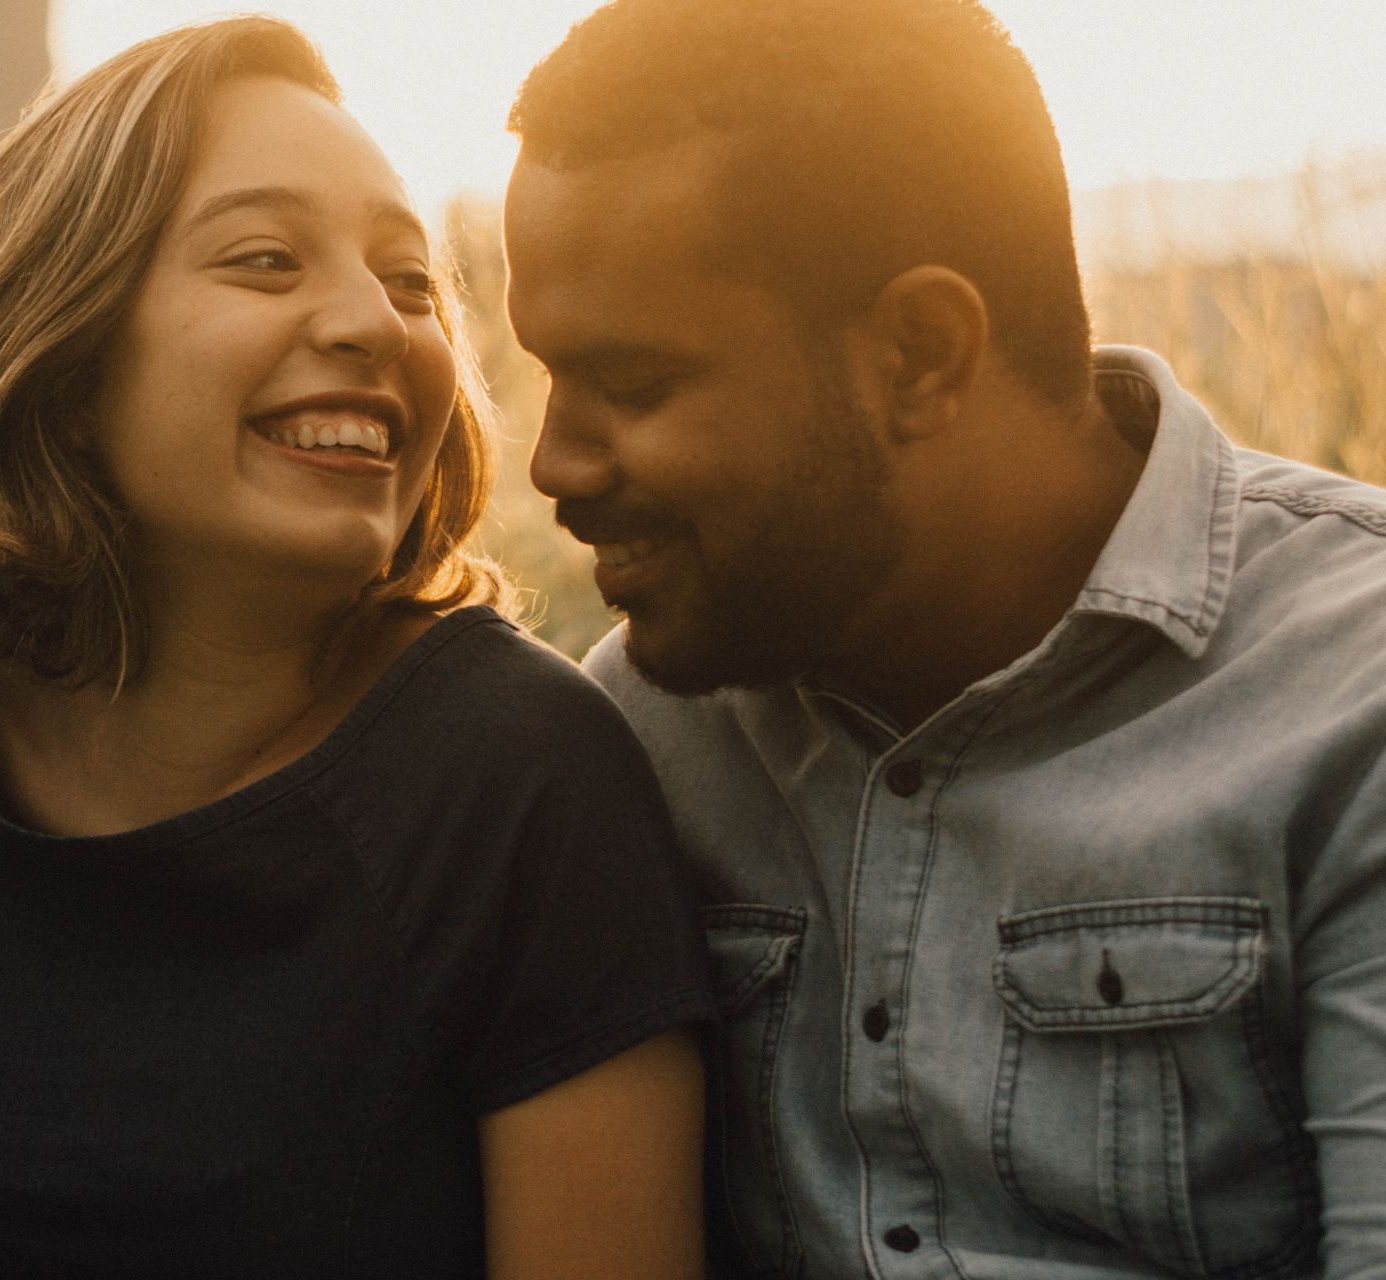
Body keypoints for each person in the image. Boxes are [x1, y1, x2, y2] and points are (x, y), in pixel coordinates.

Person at [0, 17, 716, 1278]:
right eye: (265, 260)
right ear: (62, 339)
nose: (376, 322)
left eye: (412, 281)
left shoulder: (520, 777)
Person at [502, 0, 1386, 1276]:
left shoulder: (1351, 684)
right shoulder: (641, 733)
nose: (555, 463)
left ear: (921, 350)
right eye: (545, 376)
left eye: (636, 386)